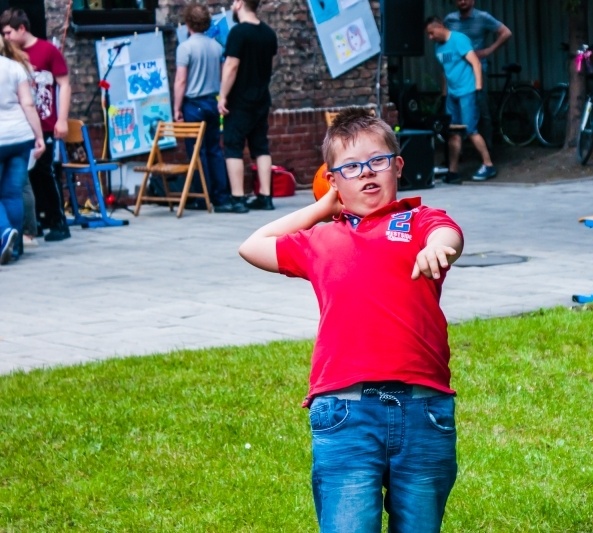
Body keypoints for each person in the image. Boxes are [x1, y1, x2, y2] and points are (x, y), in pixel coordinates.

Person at [239, 108, 464, 532]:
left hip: (423, 409)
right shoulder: (320, 239)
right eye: (351, 167)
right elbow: (252, 246)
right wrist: (321, 208)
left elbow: (448, 234)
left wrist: (439, 247)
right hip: (345, 411)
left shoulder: (419, 221)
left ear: (398, 166)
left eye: (378, 160)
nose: (366, 173)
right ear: (333, 179)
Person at [1, 8, 71, 241]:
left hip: (46, 121)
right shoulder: (10, 57)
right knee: (22, 180)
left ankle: (58, 222)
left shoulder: (47, 50)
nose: (6, 37)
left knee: (45, 172)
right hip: (22, 127)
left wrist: (61, 119)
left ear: (22, 28)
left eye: (9, 32)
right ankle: (34, 223)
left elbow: (64, 85)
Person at [217, 0, 278, 213]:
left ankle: (237, 199)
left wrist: (222, 96)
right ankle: (265, 196)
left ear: (240, 3)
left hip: (240, 101)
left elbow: (231, 65)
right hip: (262, 99)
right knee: (260, 146)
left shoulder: (238, 32)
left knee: (233, 145)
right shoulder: (269, 34)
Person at [173, 3, 231, 211]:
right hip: (212, 103)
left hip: (193, 104)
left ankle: (201, 197)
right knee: (215, 149)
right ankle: (220, 195)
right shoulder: (217, 47)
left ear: (188, 23)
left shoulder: (185, 48)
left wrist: (177, 108)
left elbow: (181, 80)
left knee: (197, 152)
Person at [425, 16, 496, 183]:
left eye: (431, 33)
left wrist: (478, 89)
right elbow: (445, 72)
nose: (430, 37)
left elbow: (476, 64)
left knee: (470, 130)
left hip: (468, 91)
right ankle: (453, 171)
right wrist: (444, 95)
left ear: (440, 26)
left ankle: (488, 164)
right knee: (453, 132)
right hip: (452, 94)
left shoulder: (459, 40)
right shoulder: (437, 48)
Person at [444, 0, 512, 153]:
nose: (462, 2)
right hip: (456, 73)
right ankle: (457, 153)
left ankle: (487, 150)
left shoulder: (483, 17)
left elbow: (506, 33)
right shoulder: (450, 20)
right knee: (455, 113)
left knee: (481, 108)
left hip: (476, 71)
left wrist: (488, 51)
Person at [0, 35, 45, 265]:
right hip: (20, 137)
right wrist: (39, 136)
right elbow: (28, 104)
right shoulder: (15, 66)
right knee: (11, 193)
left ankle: (4, 233)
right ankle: (14, 250)